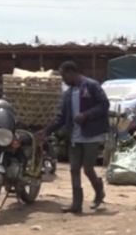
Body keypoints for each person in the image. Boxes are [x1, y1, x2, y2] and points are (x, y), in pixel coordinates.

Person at [41, 61, 110, 213]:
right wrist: (46, 130)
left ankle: (99, 192)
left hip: (91, 135)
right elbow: (60, 118)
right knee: (74, 169)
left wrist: (86, 115)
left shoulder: (91, 86)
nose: (63, 80)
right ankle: (76, 204)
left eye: (64, 76)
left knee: (88, 168)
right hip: (74, 137)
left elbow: (104, 104)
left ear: (72, 73)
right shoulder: (67, 94)